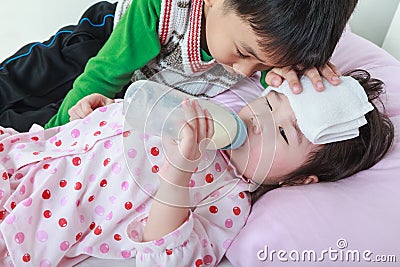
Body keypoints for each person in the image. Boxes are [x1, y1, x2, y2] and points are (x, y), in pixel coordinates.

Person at [0, 69, 393, 266]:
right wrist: (98, 112)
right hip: (22, 152)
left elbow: (169, 255)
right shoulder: (209, 115)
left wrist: (178, 173)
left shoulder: (230, 198)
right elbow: (133, 122)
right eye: (270, 104)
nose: (258, 121)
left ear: (298, 181)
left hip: (28, 221)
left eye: (284, 134)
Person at [0, 0, 358, 131]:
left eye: (263, 64)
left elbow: (276, 76)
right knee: (28, 79)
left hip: (136, 87)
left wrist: (297, 74)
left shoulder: (264, 45)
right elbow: (103, 74)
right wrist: (54, 137)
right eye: (242, 51)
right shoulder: (159, 7)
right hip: (105, 42)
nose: (247, 72)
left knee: (25, 122)